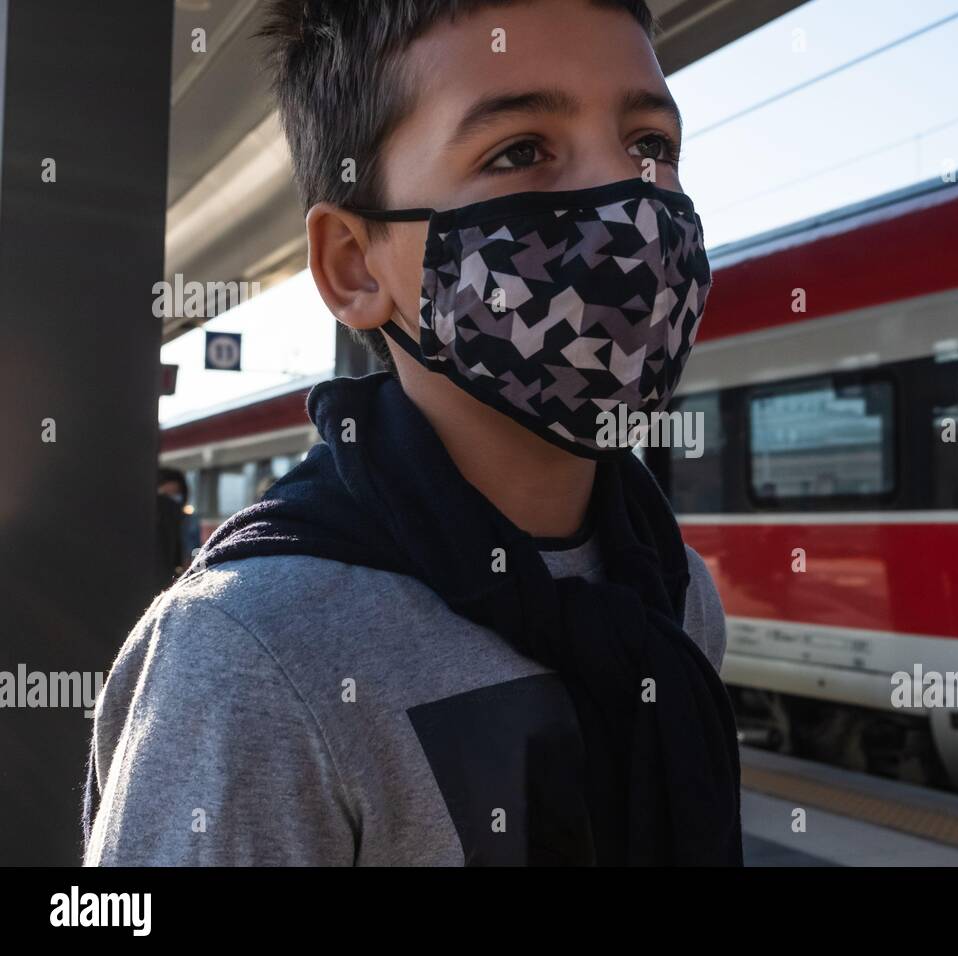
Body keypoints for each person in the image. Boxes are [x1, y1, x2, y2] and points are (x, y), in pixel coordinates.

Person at [83, 0, 740, 866]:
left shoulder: (674, 589)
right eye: (520, 152)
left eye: (651, 143)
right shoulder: (253, 655)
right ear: (355, 266)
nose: (627, 204)